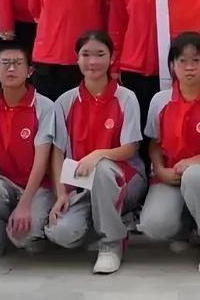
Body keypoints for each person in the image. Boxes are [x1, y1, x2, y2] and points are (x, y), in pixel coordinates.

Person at [45, 32, 146, 274]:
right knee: (61, 233)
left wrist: (98, 154)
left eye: (100, 54)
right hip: (82, 182)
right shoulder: (65, 101)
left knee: (102, 169)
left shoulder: (126, 97)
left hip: (124, 178)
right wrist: (61, 192)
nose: (93, 62)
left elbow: (130, 148)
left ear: (111, 58)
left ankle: (111, 243)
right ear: (77, 58)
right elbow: (57, 151)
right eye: (86, 55)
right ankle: (117, 220)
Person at [138, 32, 200, 274]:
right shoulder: (160, 100)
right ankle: (187, 227)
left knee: (194, 175)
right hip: (171, 176)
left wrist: (196, 162)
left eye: (196, 60)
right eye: (182, 61)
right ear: (172, 65)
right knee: (154, 225)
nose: (189, 67)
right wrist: (160, 170)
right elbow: (154, 143)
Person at [0, 43, 58, 260]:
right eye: (6, 63)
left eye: (18, 63)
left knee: (22, 238)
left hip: (39, 186)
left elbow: (42, 160)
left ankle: (33, 230)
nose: (11, 69)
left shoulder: (45, 106)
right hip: (6, 182)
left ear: (30, 70)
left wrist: (25, 204)